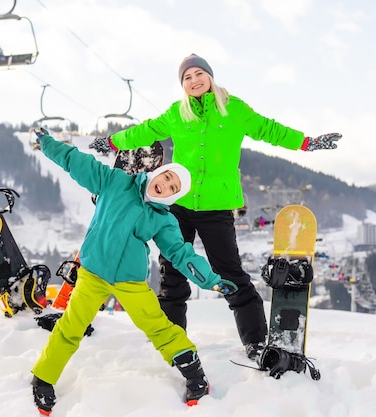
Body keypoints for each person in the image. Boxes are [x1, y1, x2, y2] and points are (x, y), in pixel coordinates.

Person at [88, 53, 342, 361]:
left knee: (229, 271)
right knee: (172, 273)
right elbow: (146, 130)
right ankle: (171, 339)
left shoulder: (233, 109)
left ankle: (256, 341)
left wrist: (307, 142)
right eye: (187, 77)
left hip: (217, 207)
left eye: (198, 74)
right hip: (178, 205)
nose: (194, 81)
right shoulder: (177, 113)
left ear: (209, 76)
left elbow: (269, 129)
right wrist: (114, 143)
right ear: (182, 84)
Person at [29, 127, 237, 415]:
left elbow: (181, 253)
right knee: (71, 326)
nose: (165, 185)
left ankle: (194, 376)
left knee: (158, 326)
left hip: (131, 282)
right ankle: (43, 378)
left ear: (173, 197)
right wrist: (48, 143)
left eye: (173, 188)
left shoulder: (163, 220)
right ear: (158, 173)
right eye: (166, 177)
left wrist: (212, 281)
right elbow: (76, 162)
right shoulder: (115, 181)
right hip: (92, 273)